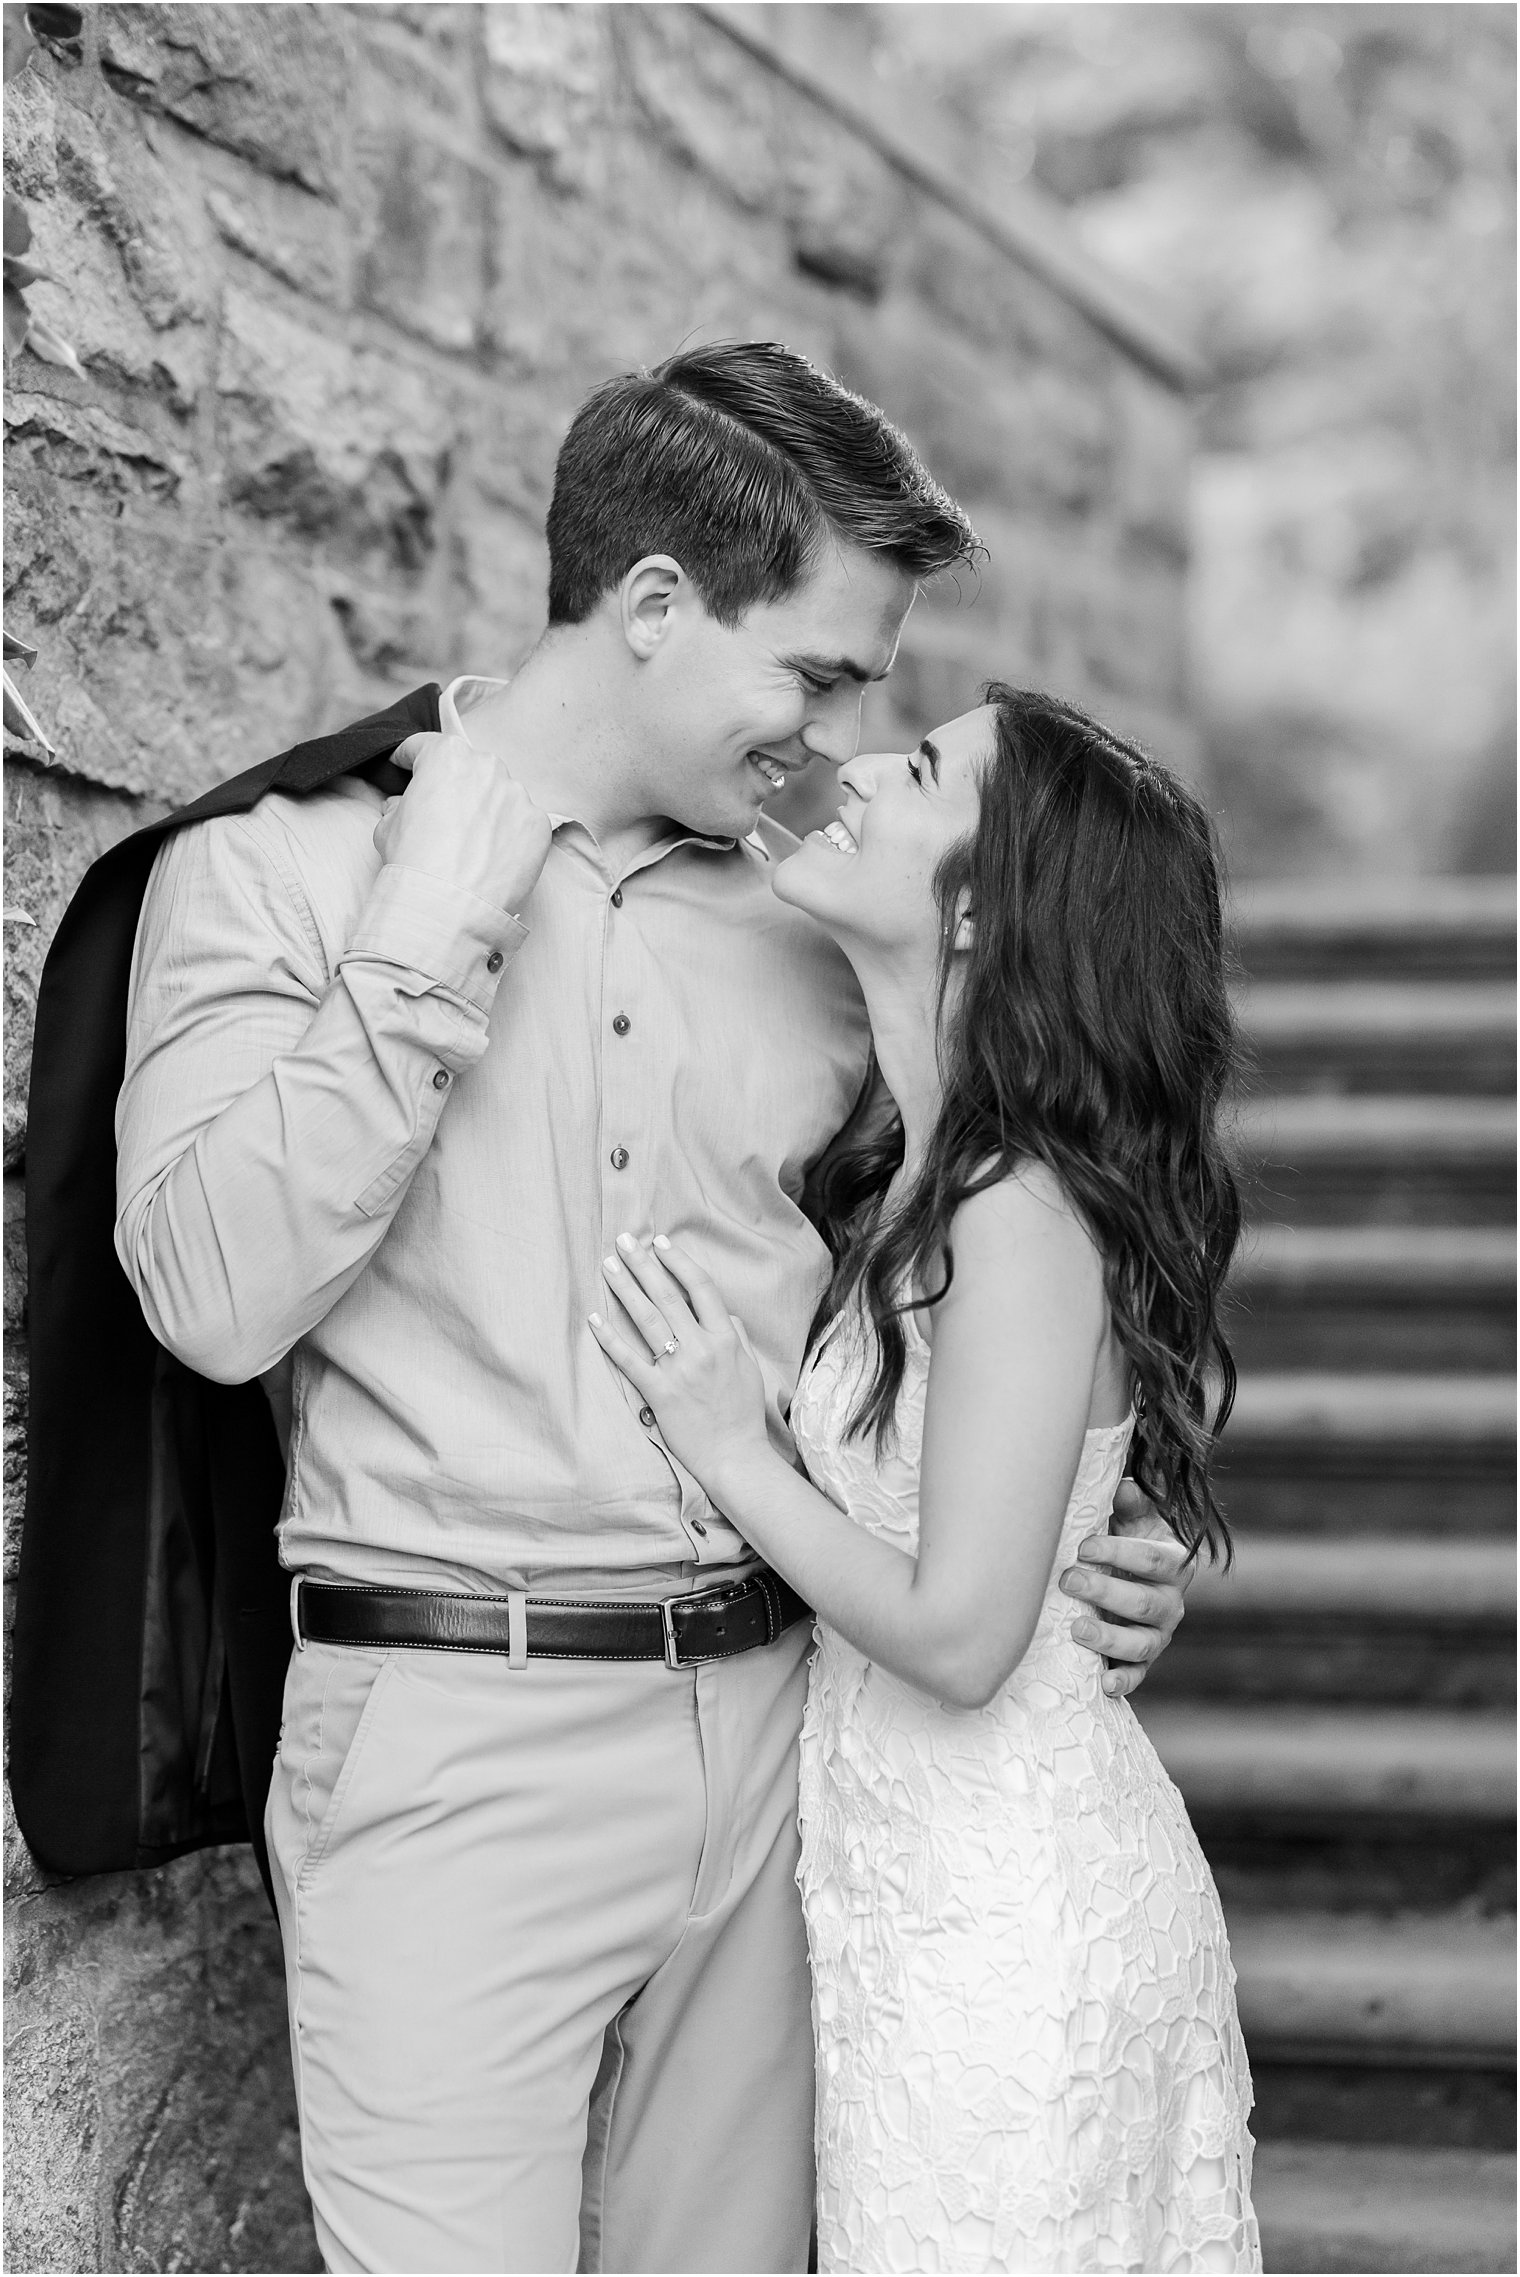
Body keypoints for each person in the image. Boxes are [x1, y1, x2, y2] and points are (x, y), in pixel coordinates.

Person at [114, 345, 1197, 2275]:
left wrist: (1088, 1533)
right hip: (455, 1743)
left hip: (799, 1760)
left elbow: (1014, 1213)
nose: (852, 738)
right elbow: (206, 1302)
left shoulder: (819, 902)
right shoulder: (280, 873)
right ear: (654, 608)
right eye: (824, 675)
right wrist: (434, 919)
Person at [591, 686, 1261, 2274]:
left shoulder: (1015, 1212)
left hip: (1008, 1924)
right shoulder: (905, 1171)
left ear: (982, 916)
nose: (848, 773)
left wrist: (729, 1441)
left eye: (910, 774)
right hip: (905, 1898)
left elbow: (964, 1638)